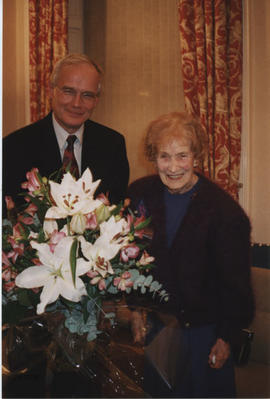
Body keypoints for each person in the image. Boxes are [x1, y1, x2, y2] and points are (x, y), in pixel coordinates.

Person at [128, 112, 254, 398]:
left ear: (197, 156)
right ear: (153, 156)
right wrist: (136, 308)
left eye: (182, 155)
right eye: (164, 156)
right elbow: (132, 257)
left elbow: (237, 286)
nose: (173, 167)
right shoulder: (140, 195)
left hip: (204, 334)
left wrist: (226, 337)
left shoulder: (224, 211)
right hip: (159, 330)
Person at [3, 53, 129, 213]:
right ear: (51, 91)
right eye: (68, 91)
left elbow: (116, 210)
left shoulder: (113, 145)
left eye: (87, 95)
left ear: (96, 100)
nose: (77, 103)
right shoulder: (14, 147)